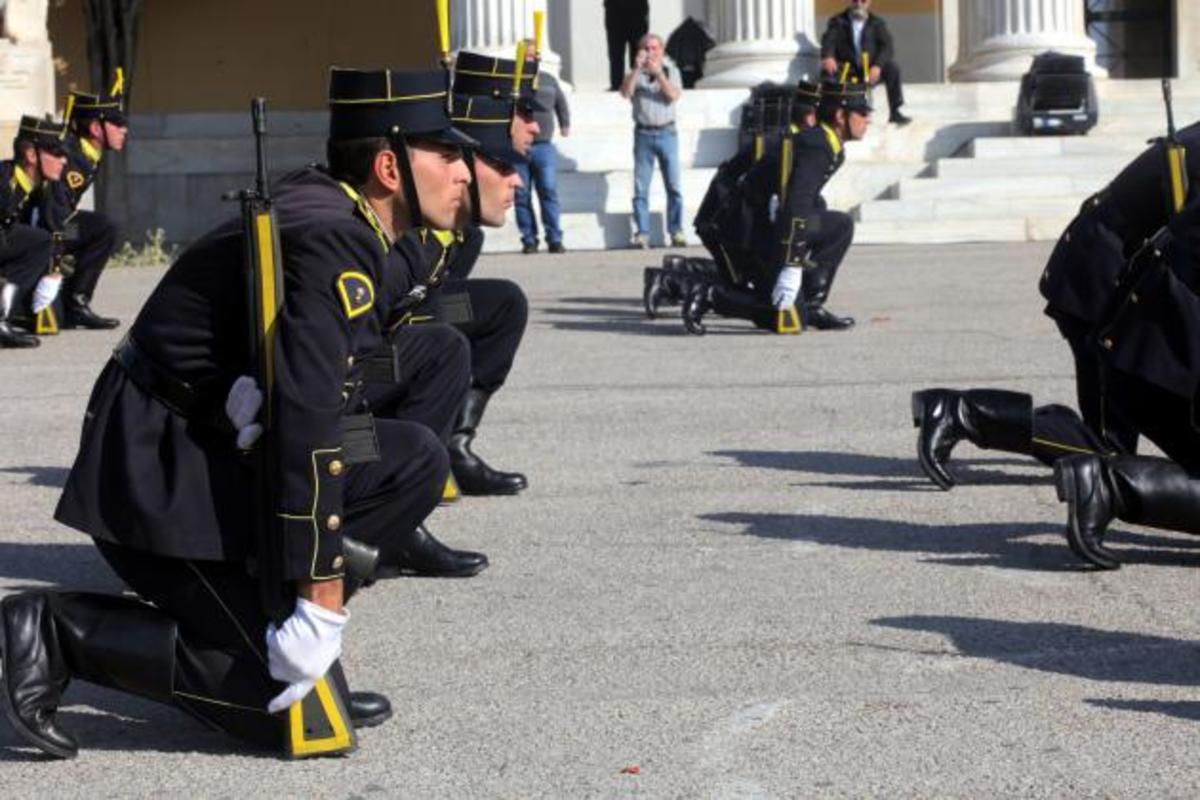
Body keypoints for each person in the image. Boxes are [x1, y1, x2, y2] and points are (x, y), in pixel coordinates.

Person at [0, 67, 475, 760]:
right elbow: (310, 420)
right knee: (291, 717)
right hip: (161, 478)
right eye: (448, 154)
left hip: (209, 448)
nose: (464, 171)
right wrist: (316, 602)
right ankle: (50, 631)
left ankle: (255, 613)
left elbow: (323, 379)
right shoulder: (336, 235)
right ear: (388, 167)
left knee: (412, 459)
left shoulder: (343, 211)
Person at [911, 121, 1200, 493]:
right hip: (1102, 275)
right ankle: (960, 414)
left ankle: (962, 413)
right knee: (1108, 452)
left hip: (1109, 267)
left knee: (1109, 447)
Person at [376, 49, 538, 498]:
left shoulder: (469, 233)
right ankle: (404, 469)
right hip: (363, 364)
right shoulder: (398, 231)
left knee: (501, 305)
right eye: (523, 112)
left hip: (421, 307)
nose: (535, 125)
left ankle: (454, 445)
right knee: (443, 345)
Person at [681, 80, 870, 335]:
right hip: (751, 233)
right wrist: (791, 267)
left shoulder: (830, 146)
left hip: (771, 225)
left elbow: (801, 199)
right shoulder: (819, 146)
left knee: (839, 225)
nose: (867, 119)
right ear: (840, 116)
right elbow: (796, 204)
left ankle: (812, 304)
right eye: (862, 113)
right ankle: (708, 294)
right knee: (790, 322)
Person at [644, 80, 822, 320]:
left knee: (743, 278)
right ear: (810, 117)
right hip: (723, 222)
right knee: (740, 284)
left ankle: (680, 269)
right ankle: (669, 282)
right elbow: (735, 182)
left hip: (728, 220)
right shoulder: (780, 141)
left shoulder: (791, 139)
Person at [34, 75, 129, 329]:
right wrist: (58, 253)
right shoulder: (70, 157)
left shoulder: (85, 152)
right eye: (117, 124)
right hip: (40, 230)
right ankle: (73, 302)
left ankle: (75, 302)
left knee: (97, 226)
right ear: (96, 129)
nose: (124, 130)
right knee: (102, 227)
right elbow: (52, 213)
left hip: (52, 225)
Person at [1, 116, 69, 348]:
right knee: (36, 242)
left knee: (38, 241)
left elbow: (61, 225)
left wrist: (57, 270)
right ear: (32, 155)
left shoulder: (42, 184)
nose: (64, 159)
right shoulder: (5, 182)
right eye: (56, 153)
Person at [621, 33, 686, 249]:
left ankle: (676, 232)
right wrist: (637, 69)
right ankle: (642, 233)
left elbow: (673, 96)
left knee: (674, 186)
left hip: (668, 133)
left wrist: (659, 74)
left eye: (655, 48)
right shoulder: (635, 74)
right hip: (643, 135)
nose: (651, 52)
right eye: (647, 48)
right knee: (641, 188)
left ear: (662, 50)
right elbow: (625, 93)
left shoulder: (671, 71)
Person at [515, 40, 570, 254]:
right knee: (521, 195)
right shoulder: (513, 81)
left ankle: (554, 238)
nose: (530, 59)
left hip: (544, 146)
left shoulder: (548, 79)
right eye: (526, 55)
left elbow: (561, 102)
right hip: (518, 148)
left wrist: (565, 122)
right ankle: (529, 239)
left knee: (548, 190)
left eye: (533, 55)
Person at [820, 0, 911, 126]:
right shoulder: (837, 22)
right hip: (846, 69)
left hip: (870, 69)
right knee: (827, 72)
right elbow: (828, 40)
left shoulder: (877, 23)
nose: (858, 4)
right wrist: (828, 56)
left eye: (863, 1)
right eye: (855, 0)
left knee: (892, 68)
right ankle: (829, 115)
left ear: (869, 2)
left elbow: (887, 47)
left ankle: (895, 111)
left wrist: (878, 65)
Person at [604, 0, 650, 92]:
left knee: (638, 52)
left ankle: (638, 83)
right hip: (615, 12)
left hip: (637, 12)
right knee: (615, 53)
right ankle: (616, 84)